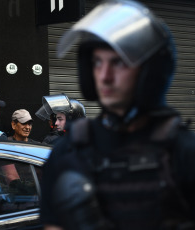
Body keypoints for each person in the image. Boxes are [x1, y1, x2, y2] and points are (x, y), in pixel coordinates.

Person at [40, 1, 195, 230]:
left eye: (119, 62)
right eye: (96, 63)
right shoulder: (69, 150)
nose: (105, 76)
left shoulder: (184, 152)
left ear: (151, 71)